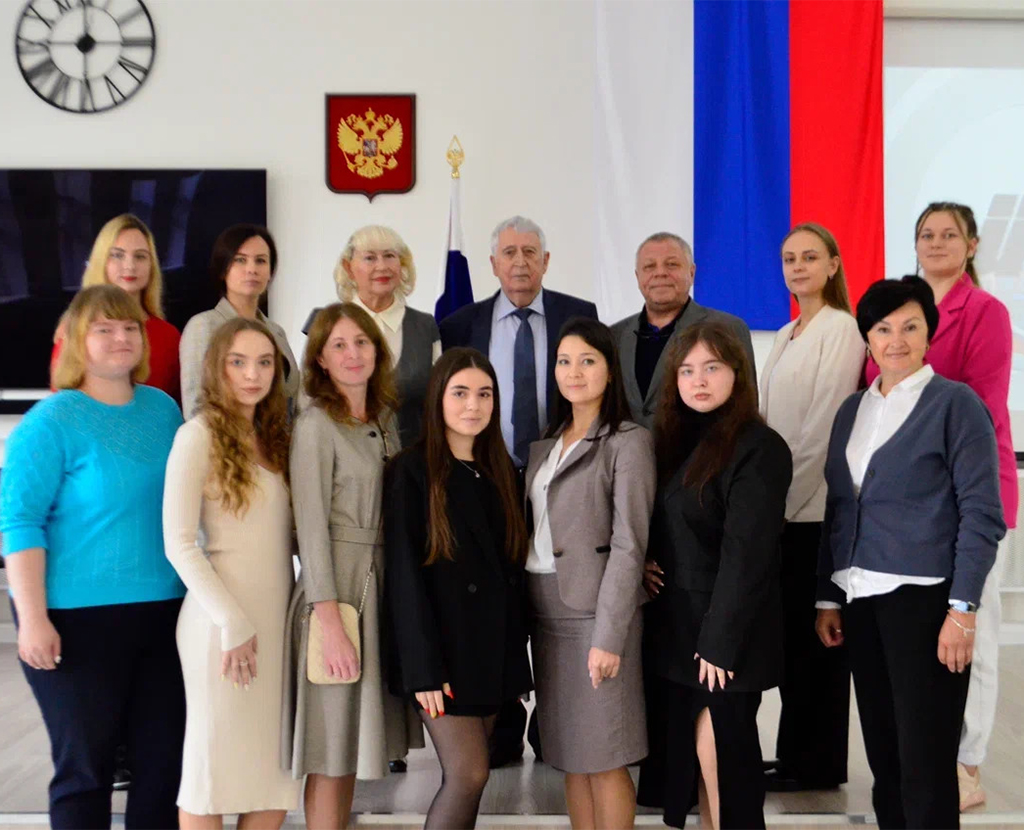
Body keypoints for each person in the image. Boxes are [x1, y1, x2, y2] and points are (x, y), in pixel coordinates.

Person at [817, 276, 1005, 829]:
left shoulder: (955, 404)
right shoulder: (852, 410)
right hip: (860, 600)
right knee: (886, 759)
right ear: (867, 338)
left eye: (909, 327)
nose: (895, 340)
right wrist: (827, 597)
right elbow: (838, 507)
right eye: (882, 329)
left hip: (925, 605)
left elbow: (982, 514)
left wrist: (963, 610)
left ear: (929, 333)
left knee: (926, 763)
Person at [1, 285, 186, 830]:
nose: (120, 337)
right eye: (104, 329)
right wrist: (32, 620)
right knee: (86, 770)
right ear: (77, 341)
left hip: (165, 615)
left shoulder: (163, 410)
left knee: (163, 769)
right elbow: (19, 523)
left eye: (130, 328)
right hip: (74, 621)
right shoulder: (50, 421)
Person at [865, 203, 1017, 811]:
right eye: (926, 234)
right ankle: (924, 761)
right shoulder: (898, 309)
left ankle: (967, 764)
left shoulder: (986, 312)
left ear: (973, 244)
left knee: (973, 632)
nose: (936, 243)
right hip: (906, 505)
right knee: (923, 652)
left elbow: (980, 405)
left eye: (949, 234)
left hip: (971, 492)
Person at [638, 321, 792, 830]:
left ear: (737, 373)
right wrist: (646, 561)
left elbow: (747, 555)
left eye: (712, 367)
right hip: (679, 629)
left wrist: (720, 643)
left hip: (727, 635)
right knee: (700, 763)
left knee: (723, 757)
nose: (698, 380)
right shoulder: (674, 440)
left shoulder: (760, 446)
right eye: (686, 370)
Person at [283, 304, 423, 829]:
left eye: (361, 342)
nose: (352, 354)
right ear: (320, 358)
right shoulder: (316, 424)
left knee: (351, 748)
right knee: (329, 749)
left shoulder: (384, 418)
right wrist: (330, 622)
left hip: (381, 584)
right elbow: (310, 528)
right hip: (337, 591)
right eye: (338, 345)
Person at [384, 348, 533, 829]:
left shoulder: (503, 471)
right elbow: (404, 575)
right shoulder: (412, 470)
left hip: (489, 654)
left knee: (476, 775)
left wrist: (516, 661)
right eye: (461, 393)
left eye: (485, 394)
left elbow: (510, 574)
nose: (474, 405)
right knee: (468, 773)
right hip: (442, 657)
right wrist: (423, 669)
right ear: (438, 399)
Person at [163, 317, 300, 828]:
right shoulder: (196, 436)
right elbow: (179, 545)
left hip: (275, 626)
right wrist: (233, 622)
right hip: (220, 626)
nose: (252, 374)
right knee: (211, 775)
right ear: (216, 368)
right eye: (238, 362)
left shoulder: (276, 438)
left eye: (264, 363)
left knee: (273, 778)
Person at [524, 318, 655, 829]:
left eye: (587, 361)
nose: (573, 372)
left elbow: (629, 544)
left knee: (605, 756)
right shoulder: (547, 441)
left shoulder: (628, 441)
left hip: (597, 616)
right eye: (564, 361)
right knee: (569, 756)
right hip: (546, 612)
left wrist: (608, 635)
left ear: (609, 369)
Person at [759, 223, 864, 792]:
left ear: (833, 264)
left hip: (813, 512)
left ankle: (817, 764)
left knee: (818, 643)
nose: (797, 267)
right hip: (781, 509)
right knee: (793, 642)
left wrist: (778, 503)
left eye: (809, 257)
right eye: (789, 258)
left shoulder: (842, 329)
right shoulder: (785, 333)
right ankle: (794, 755)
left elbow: (823, 430)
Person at [438, 215, 598, 468]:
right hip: (484, 466)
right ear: (494, 264)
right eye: (509, 252)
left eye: (530, 252)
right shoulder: (458, 326)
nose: (520, 262)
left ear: (545, 261)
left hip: (564, 465)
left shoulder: (579, 315)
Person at [302, 226, 441, 449]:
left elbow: (438, 401)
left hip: (413, 460)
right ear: (348, 267)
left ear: (402, 264)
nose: (382, 266)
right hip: (343, 460)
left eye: (390, 256)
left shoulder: (425, 326)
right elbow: (308, 399)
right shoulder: (324, 324)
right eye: (370, 258)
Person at [611, 232, 756, 430]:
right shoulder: (615, 335)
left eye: (671, 264)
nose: (660, 273)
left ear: (692, 272)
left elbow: (746, 406)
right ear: (638, 277)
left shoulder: (728, 328)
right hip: (629, 449)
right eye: (649, 266)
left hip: (706, 448)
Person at [50, 213, 182, 403]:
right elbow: (61, 406)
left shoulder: (169, 336)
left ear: (152, 266)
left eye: (140, 256)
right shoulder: (75, 328)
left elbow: (177, 408)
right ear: (102, 262)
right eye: (117, 255)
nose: (130, 266)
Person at [180, 224, 300, 418]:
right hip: (224, 436)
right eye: (240, 260)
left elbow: (293, 401)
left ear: (270, 272)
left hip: (279, 436)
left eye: (260, 261)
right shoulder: (203, 326)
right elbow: (196, 406)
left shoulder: (276, 332)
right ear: (223, 270)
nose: (251, 269)